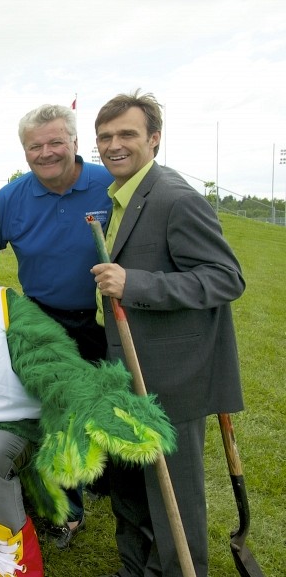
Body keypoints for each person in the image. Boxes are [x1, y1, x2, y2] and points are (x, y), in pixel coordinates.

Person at [91, 90, 245, 577]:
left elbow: (225, 278)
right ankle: (135, 568)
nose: (114, 144)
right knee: (130, 484)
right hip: (125, 368)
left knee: (170, 493)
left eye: (127, 134)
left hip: (169, 376)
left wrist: (133, 283)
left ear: (154, 139)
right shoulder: (121, 194)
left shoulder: (176, 198)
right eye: (105, 137)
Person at [0, 103, 112, 548]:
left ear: (76, 143)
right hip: (42, 321)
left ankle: (104, 481)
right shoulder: (9, 199)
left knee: (104, 407)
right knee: (60, 413)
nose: (46, 153)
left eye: (56, 142)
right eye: (34, 146)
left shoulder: (108, 185)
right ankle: (68, 512)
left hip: (106, 320)